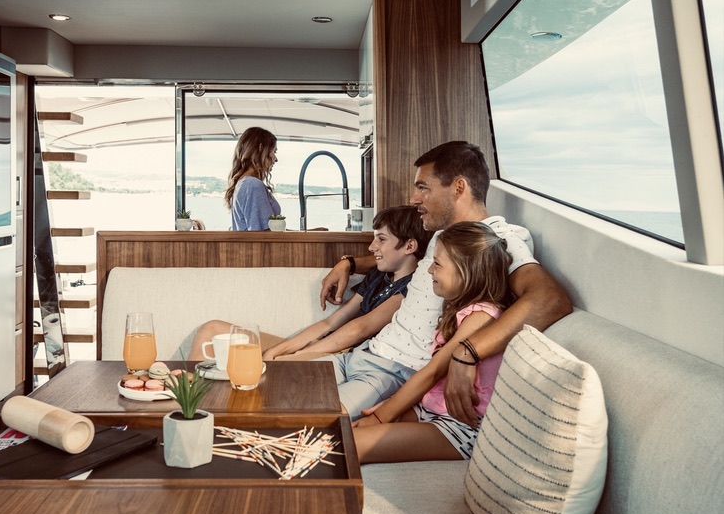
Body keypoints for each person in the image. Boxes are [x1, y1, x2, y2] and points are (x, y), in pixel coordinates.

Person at [318, 141, 572, 421]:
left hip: (398, 372)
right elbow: (402, 254)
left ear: (459, 187)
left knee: (304, 419)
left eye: (423, 188)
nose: (414, 198)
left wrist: (468, 351)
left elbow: (549, 299)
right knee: (284, 387)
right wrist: (350, 263)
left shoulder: (498, 240)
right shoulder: (443, 236)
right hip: (366, 352)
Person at [350, 221, 511, 463]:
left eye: (437, 264)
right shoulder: (458, 311)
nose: (429, 271)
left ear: (466, 271)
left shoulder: (482, 317)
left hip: (459, 426)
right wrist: (391, 406)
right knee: (345, 430)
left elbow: (434, 371)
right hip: (428, 409)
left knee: (350, 444)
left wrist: (381, 417)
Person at [188, 205, 430, 362]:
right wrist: (280, 350)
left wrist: (297, 356)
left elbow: (359, 329)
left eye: (381, 239)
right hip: (319, 347)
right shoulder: (379, 275)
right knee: (211, 329)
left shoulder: (413, 289)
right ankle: (189, 406)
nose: (371, 246)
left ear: (410, 246)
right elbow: (330, 322)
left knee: (275, 363)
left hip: (342, 357)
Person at [226, 127, 281, 231]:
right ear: (261, 149)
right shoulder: (252, 185)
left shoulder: (244, 183)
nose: (276, 159)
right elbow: (262, 235)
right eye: (274, 151)